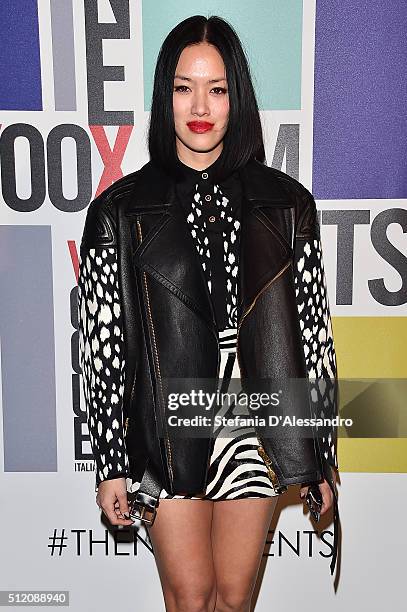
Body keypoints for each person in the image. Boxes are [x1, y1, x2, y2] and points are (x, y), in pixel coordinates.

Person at [78, 14, 340, 612]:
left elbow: (313, 336)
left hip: (256, 418)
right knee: (191, 598)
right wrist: (111, 462)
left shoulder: (287, 205)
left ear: (236, 98)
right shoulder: (118, 211)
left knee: (233, 598)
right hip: (167, 424)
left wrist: (321, 454)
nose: (200, 105)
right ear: (163, 96)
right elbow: (103, 350)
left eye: (216, 89)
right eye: (183, 86)